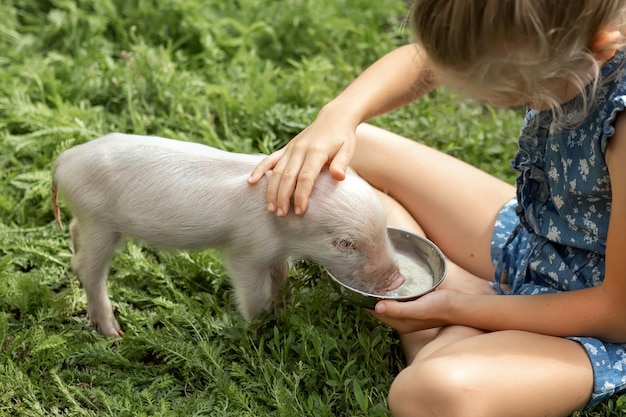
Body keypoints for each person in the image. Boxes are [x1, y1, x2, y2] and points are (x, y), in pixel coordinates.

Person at [247, 1, 626, 416]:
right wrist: (339, 115)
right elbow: (425, 59)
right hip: (536, 242)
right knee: (336, 161)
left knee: (430, 393)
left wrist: (455, 308)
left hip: (599, 315)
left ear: (599, 47)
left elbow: (616, 313)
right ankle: (460, 303)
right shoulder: (552, 31)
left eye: (519, 93)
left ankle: (449, 313)